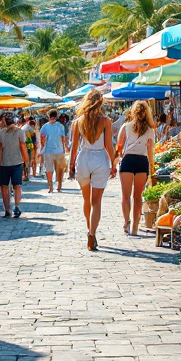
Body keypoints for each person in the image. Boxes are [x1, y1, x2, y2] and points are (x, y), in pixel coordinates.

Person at [69, 89, 115, 251]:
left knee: (86, 200)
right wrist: (114, 164)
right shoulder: (106, 121)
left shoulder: (78, 122)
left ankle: (89, 229)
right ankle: (91, 233)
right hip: (100, 159)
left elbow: (74, 147)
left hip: (84, 158)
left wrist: (71, 165)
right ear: (100, 103)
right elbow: (108, 145)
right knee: (96, 202)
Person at [115, 101, 156, 236]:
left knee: (125, 196)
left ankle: (126, 222)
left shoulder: (126, 127)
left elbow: (119, 145)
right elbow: (150, 150)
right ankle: (135, 227)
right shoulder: (150, 130)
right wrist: (151, 165)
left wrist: (120, 156)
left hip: (128, 160)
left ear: (133, 112)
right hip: (142, 161)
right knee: (137, 197)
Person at [0, 113, 29, 218]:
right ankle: (17, 206)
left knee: (4, 186)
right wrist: (26, 162)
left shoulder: (1, 133)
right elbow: (23, 147)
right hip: (17, 162)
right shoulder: (20, 132)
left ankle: (7, 209)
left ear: (4, 121)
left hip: (4, 163)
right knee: (17, 185)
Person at [39, 110, 68, 193]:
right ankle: (59, 187)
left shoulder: (44, 126)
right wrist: (65, 147)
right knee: (60, 169)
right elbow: (63, 138)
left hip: (48, 150)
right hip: (59, 150)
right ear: (57, 116)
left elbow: (42, 137)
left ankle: (51, 187)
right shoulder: (60, 126)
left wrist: (42, 147)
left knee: (49, 170)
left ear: (48, 116)